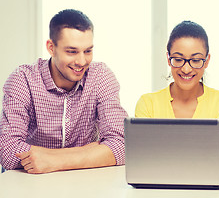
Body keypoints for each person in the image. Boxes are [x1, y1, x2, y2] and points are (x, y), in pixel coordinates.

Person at [0, 9, 127, 174]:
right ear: (51, 48)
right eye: (72, 51)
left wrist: (52, 160)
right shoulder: (23, 79)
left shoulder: (101, 76)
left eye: (88, 51)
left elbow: (122, 145)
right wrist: (91, 151)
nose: (81, 61)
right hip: (32, 182)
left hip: (86, 180)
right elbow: (8, 151)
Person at [135, 21, 219, 173]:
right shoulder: (147, 104)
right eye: (178, 59)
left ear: (207, 61)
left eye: (196, 60)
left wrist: (167, 157)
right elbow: (143, 159)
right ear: (168, 58)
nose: (186, 68)